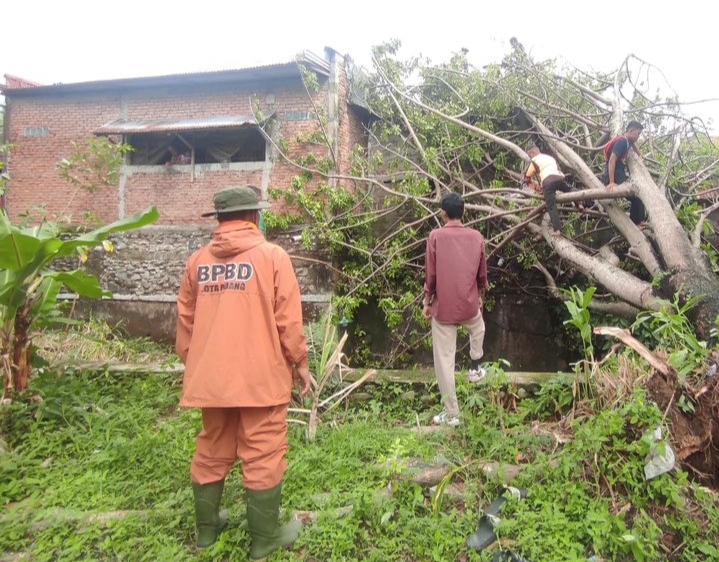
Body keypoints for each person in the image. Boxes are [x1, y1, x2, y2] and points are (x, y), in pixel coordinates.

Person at [175, 186, 313, 558]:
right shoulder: (272, 257)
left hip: (211, 380)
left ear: (220, 220)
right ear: (254, 216)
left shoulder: (197, 262)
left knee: (212, 446)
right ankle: (264, 539)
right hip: (260, 380)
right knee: (263, 450)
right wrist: (300, 362)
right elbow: (289, 320)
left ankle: (206, 532)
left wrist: (201, 368)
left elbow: (184, 326)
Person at [423, 192, 488, 427]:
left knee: (444, 361)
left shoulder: (435, 236)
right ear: (464, 211)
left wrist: (427, 302)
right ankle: (475, 366)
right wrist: (479, 295)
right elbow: (482, 273)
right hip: (469, 305)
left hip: (444, 310)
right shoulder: (477, 236)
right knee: (478, 328)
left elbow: (431, 275)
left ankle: (452, 413)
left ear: (443, 212)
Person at [523, 146, 582, 236]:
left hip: (548, 182)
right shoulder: (549, 157)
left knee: (551, 205)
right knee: (569, 189)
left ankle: (557, 230)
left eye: (530, 155)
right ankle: (579, 204)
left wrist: (535, 187)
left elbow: (527, 178)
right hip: (559, 178)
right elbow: (558, 169)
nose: (530, 157)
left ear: (533, 153)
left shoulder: (534, 160)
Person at [603, 121, 647, 226]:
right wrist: (612, 182)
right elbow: (612, 160)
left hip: (619, 171)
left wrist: (640, 155)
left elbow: (634, 145)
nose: (638, 136)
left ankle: (638, 221)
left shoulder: (628, 140)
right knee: (637, 195)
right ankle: (637, 222)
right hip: (615, 173)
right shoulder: (622, 142)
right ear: (631, 131)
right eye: (638, 133)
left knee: (637, 196)